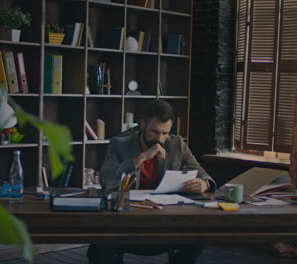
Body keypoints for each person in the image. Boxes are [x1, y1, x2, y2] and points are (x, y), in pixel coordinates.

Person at [87, 99, 216, 264]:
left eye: (165, 133)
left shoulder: (177, 145)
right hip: (126, 221)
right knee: (99, 249)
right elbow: (107, 180)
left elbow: (206, 177)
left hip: (166, 221)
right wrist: (140, 158)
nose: (160, 139)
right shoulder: (119, 144)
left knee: (197, 239)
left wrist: (204, 184)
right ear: (142, 124)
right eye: (154, 132)